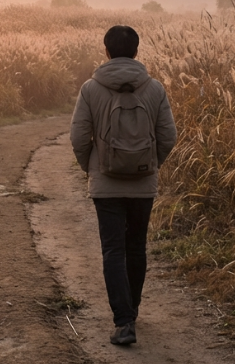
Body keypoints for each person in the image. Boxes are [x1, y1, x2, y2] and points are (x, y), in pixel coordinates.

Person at [70, 25, 177, 346]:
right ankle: (134, 310)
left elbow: (78, 138)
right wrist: (148, 164)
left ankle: (124, 321)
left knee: (113, 250)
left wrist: (93, 167)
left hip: (106, 185)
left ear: (106, 51)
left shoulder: (91, 88)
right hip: (143, 184)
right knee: (136, 247)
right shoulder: (154, 88)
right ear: (136, 52)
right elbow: (168, 136)